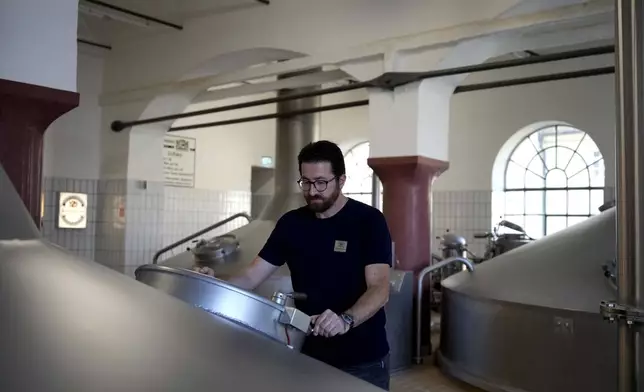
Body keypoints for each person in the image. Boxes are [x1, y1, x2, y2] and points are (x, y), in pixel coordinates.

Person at [194, 140, 393, 390]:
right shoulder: (292, 224)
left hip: (363, 361)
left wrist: (345, 320)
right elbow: (251, 276)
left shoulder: (368, 222)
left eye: (321, 182)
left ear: (341, 181)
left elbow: (379, 288)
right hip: (308, 354)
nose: (312, 191)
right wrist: (212, 284)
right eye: (306, 182)